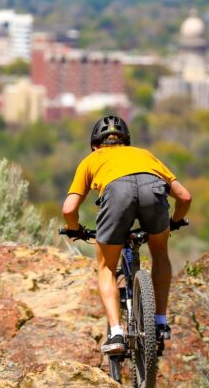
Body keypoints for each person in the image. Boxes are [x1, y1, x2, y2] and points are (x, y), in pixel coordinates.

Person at [62, 115, 192, 354]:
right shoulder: (144, 155)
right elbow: (184, 197)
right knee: (160, 252)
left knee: (106, 267)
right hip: (152, 189)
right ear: (127, 142)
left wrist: (74, 228)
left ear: (95, 145)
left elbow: (69, 209)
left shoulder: (92, 159)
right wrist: (172, 223)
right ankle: (160, 322)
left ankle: (116, 333)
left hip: (116, 193)